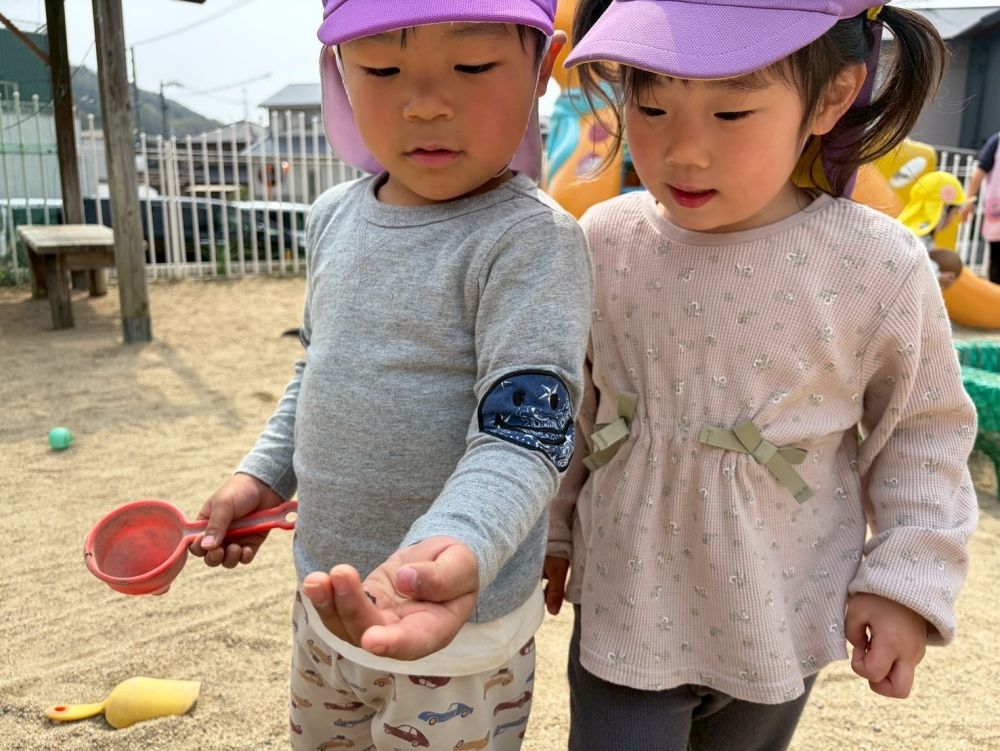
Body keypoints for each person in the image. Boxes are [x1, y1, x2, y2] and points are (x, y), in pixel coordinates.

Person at [542, 1, 979, 749]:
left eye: (732, 112)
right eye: (652, 106)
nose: (684, 151)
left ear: (832, 97)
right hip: (629, 597)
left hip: (780, 606)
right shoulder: (605, 242)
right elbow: (575, 408)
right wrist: (551, 530)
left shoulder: (875, 264)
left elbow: (924, 429)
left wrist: (905, 580)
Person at [191, 2, 593, 749]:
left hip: (455, 625)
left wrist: (457, 539)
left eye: (472, 66)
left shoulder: (531, 243)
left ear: (542, 67)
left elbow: (526, 433)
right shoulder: (333, 218)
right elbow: (319, 367)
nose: (427, 102)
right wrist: (262, 475)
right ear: (337, 70)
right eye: (381, 68)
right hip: (328, 603)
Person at [959, 131, 1000, 283]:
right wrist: (969, 200)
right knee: (997, 263)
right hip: (998, 216)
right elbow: (979, 172)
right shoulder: (997, 141)